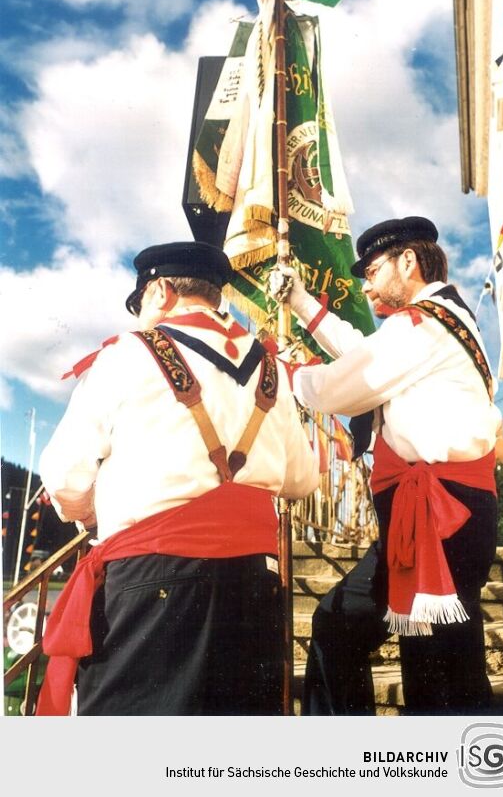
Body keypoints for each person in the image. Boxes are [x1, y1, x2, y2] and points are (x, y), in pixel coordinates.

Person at [37, 241, 318, 716]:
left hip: (151, 580)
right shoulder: (272, 368)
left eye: (140, 302)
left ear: (162, 291)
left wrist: (86, 514)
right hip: (251, 579)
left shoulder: (129, 352)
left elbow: (65, 473)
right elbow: (302, 480)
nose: (140, 316)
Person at [272, 216, 501, 715]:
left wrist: (284, 370)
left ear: (409, 262)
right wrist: (302, 304)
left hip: (437, 516)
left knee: (438, 675)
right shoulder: (446, 321)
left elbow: (342, 385)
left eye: (373, 270)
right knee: (426, 657)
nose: (367, 285)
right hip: (443, 514)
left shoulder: (420, 326)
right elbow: (366, 353)